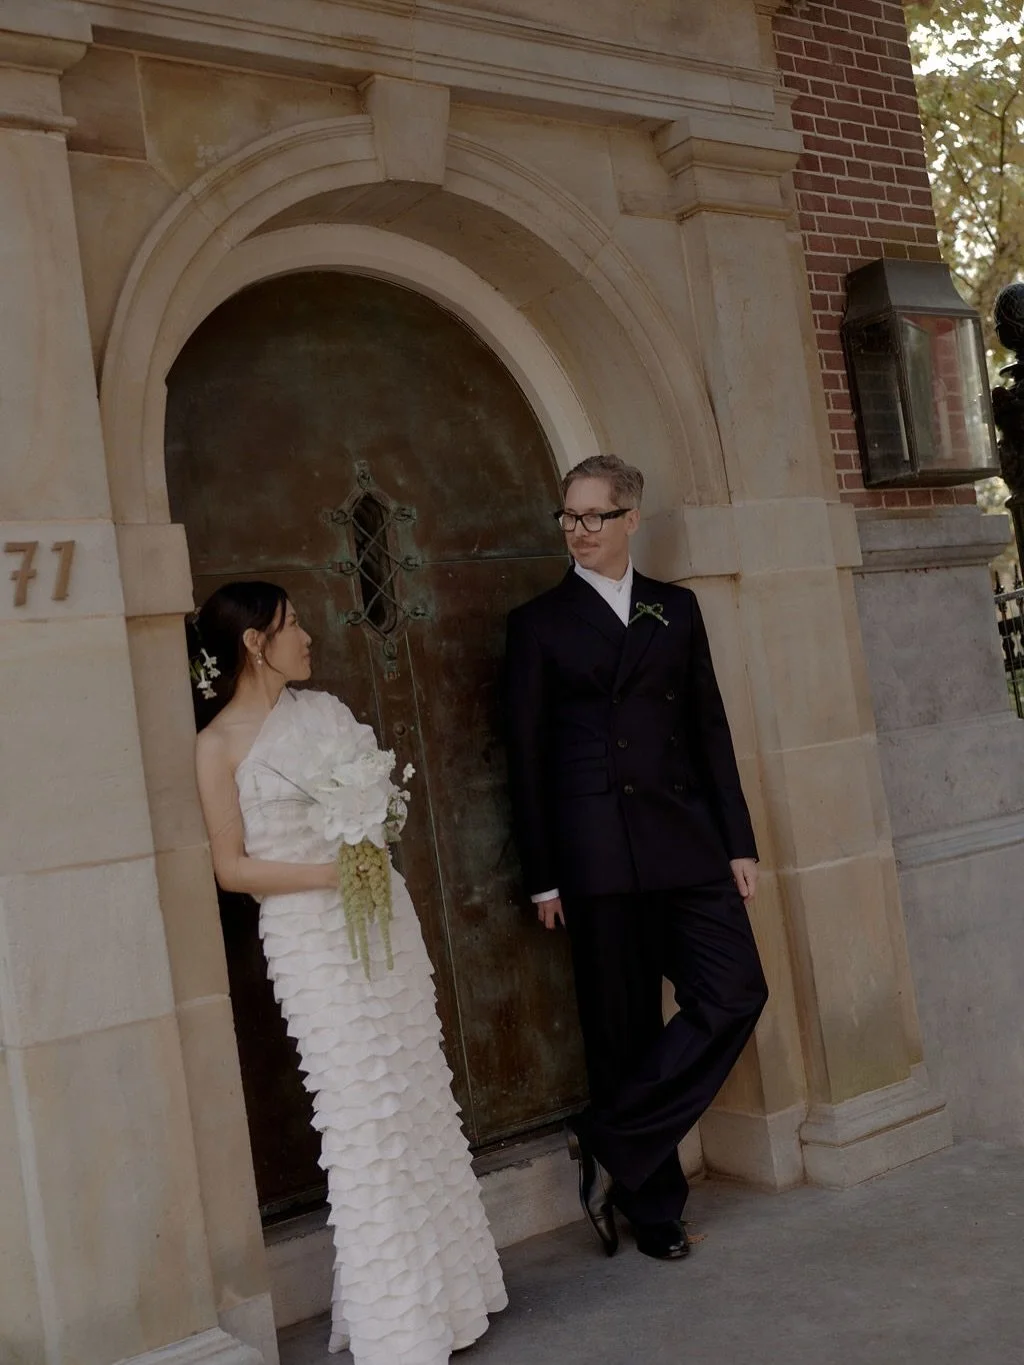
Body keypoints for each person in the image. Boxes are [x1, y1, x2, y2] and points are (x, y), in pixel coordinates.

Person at [190, 581, 506, 1364]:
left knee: (415, 1094)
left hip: (383, 922)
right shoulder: (218, 744)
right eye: (293, 625)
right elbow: (231, 869)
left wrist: (373, 826)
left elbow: (379, 808)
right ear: (255, 644)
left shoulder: (326, 712)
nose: (308, 635)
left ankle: (453, 1299)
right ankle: (399, 1324)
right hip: (309, 939)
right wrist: (329, 874)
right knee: (362, 1115)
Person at [504, 454, 768, 1262]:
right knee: (619, 1029)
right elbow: (525, 755)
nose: (577, 532)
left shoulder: (675, 609)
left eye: (593, 517)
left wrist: (738, 842)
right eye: (568, 517)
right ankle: (653, 1208)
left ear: (630, 521)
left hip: (684, 839)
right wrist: (543, 872)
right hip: (594, 856)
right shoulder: (538, 623)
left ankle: (609, 1134)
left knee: (734, 993)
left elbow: (709, 729)